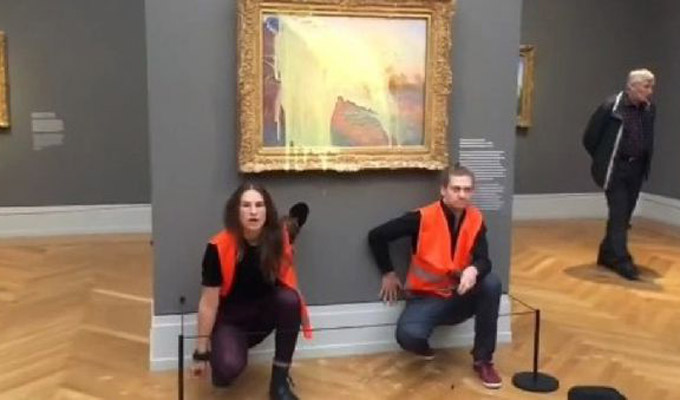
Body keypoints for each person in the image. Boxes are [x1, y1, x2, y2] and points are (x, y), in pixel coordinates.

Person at [367, 165, 503, 389]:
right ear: (443, 190)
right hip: (427, 298)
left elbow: (484, 260)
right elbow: (376, 236)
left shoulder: (476, 218)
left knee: (492, 283)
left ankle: (483, 360)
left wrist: (473, 270)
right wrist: (388, 272)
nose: (462, 195)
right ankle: (423, 346)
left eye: (467, 189)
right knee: (408, 336)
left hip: (460, 294)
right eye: (456, 189)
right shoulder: (422, 217)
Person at [192, 183, 312, 400]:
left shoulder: (277, 240)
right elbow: (208, 304)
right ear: (235, 211)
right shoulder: (217, 248)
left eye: (259, 205)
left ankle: (279, 383)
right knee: (226, 369)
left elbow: (286, 273)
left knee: (289, 300)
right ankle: (223, 358)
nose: (253, 212)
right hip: (232, 321)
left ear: (267, 210)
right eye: (246, 205)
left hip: (264, 315)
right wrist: (201, 352)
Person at [583, 69, 656, 280]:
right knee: (619, 213)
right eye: (646, 86)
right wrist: (604, 159)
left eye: (651, 87)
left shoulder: (650, 109)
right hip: (616, 169)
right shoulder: (611, 107)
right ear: (632, 86)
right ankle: (622, 260)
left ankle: (607, 253)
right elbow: (590, 138)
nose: (650, 91)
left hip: (637, 169)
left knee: (624, 215)